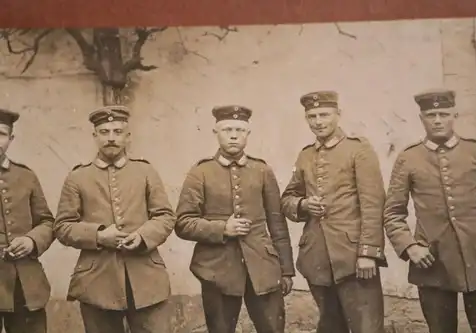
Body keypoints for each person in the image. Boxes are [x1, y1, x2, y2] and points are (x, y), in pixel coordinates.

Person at [384, 88, 476, 333]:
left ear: (454, 115)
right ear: (421, 118)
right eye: (431, 115)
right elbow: (393, 213)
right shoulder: (408, 158)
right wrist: (410, 247)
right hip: (431, 261)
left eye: (443, 114)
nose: (437, 120)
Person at [53, 105, 177, 333]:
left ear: (128, 136)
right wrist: (98, 236)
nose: (111, 138)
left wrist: (142, 236)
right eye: (104, 132)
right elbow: (62, 226)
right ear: (94, 136)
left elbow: (165, 216)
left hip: (146, 278)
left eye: (117, 132)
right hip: (97, 282)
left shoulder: (146, 172)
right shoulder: (77, 177)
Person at [175, 105, 295, 333]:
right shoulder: (200, 172)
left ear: (248, 134)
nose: (233, 135)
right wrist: (222, 229)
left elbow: (277, 223)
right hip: (216, 269)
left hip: (263, 267)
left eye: (240, 130)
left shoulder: (262, 171)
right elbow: (183, 223)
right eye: (227, 129)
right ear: (215, 132)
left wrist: (286, 269)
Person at [281, 91, 387, 333]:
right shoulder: (305, 155)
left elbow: (373, 204)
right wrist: (303, 205)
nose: (318, 121)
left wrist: (368, 252)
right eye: (312, 116)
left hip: (354, 258)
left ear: (338, 115)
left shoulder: (358, 150)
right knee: (330, 327)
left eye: (324, 114)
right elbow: (287, 198)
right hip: (316, 258)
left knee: (367, 328)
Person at [0, 109, 55, 333]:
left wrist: (32, 241)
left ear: (11, 139)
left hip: (24, 283)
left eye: (1, 134)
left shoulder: (26, 176)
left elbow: (47, 222)